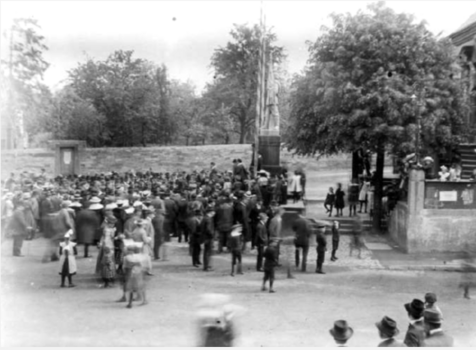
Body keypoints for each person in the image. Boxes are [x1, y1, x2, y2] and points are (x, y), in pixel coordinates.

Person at [201, 207, 215, 271]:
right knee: (208, 252)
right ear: (210, 212)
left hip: (204, 237)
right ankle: (206, 266)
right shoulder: (208, 219)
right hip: (208, 238)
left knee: (206, 252)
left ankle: (206, 265)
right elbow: (209, 229)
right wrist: (212, 235)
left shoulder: (204, 218)